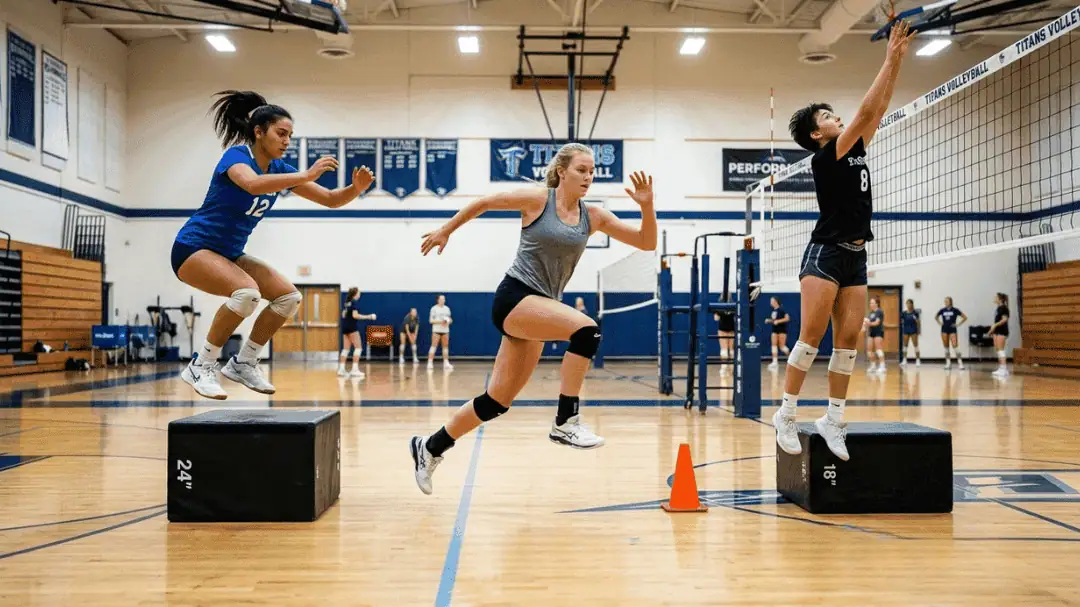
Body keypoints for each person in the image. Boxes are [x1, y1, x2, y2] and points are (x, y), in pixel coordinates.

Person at [408, 143, 657, 495]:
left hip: (540, 308)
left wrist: (647, 207)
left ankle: (430, 447)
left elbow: (646, 242)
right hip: (515, 297)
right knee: (587, 331)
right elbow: (484, 202)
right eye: (581, 170)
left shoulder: (594, 216)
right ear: (561, 172)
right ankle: (566, 420)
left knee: (495, 402)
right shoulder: (538, 200)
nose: (588, 177)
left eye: (592, 172)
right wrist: (446, 229)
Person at [773, 21, 916, 461]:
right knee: (810, 339)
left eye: (837, 113)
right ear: (818, 134)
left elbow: (880, 106)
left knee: (849, 342)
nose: (836, 117)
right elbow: (868, 113)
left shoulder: (853, 148)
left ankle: (833, 419)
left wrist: (897, 64)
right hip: (826, 253)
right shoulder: (827, 155)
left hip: (857, 254)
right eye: (827, 116)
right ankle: (787, 413)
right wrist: (889, 57)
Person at [171, 90, 373, 400]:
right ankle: (203, 364)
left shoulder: (280, 171)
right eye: (281, 133)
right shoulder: (236, 156)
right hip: (193, 248)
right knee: (247, 294)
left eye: (290, 136)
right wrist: (305, 173)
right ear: (259, 131)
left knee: (288, 298)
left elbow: (332, 200)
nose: (287, 141)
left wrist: (355, 189)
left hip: (229, 253)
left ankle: (244, 362)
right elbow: (251, 184)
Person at [338, 288, 376, 378]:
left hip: (345, 327)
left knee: (345, 349)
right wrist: (369, 316)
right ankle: (354, 370)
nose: (360, 294)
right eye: (358, 293)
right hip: (352, 328)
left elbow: (344, 315)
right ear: (355, 294)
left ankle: (341, 370)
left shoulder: (347, 303)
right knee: (358, 348)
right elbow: (355, 315)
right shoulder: (354, 302)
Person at [936, 296, 967, 370]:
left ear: (951, 302)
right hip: (944, 330)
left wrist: (958, 324)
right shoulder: (942, 310)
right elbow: (936, 317)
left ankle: (960, 363)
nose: (946, 302)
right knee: (946, 347)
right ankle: (948, 363)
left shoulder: (955, 310)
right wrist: (940, 323)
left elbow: (965, 317)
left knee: (955, 346)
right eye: (945, 301)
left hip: (952, 330)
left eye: (947, 301)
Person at [427, 295, 453, 370]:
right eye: (441, 299)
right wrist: (440, 321)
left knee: (445, 346)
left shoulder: (447, 309)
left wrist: (449, 321)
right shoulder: (434, 308)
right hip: (436, 330)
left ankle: (446, 363)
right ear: (438, 300)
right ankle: (430, 362)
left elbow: (450, 318)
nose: (443, 300)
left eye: (444, 299)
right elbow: (431, 320)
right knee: (433, 346)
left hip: (445, 331)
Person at [764, 296, 790, 370]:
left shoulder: (782, 309)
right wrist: (769, 320)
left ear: (776, 301)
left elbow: (787, 318)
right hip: (774, 330)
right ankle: (775, 362)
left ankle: (792, 360)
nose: (771, 302)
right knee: (774, 345)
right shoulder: (773, 311)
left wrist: (778, 321)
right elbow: (774, 320)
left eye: (772, 301)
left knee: (782, 346)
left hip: (782, 330)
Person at [989, 293, 1010, 378]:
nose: (994, 298)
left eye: (996, 297)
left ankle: (1004, 369)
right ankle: (1001, 368)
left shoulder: (1004, 308)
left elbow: (1005, 319)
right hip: (997, 331)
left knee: (1001, 350)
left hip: (1002, 330)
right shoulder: (998, 308)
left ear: (1000, 299)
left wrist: (995, 325)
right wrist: (992, 330)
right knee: (998, 349)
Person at [863, 296, 886, 374]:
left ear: (877, 303)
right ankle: (873, 366)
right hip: (871, 333)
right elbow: (867, 324)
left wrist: (868, 323)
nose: (871, 304)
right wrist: (864, 326)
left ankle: (882, 367)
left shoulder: (879, 311)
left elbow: (877, 322)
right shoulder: (871, 313)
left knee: (878, 350)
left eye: (872, 303)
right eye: (870, 303)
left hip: (878, 332)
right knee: (869, 351)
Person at [899, 298, 921, 367]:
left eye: (909, 303)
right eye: (907, 303)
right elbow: (901, 321)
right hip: (906, 330)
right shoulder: (903, 313)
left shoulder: (915, 313)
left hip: (913, 330)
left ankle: (917, 360)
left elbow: (918, 322)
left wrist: (918, 331)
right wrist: (902, 322)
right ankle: (904, 360)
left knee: (916, 345)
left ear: (912, 304)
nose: (908, 305)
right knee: (905, 346)